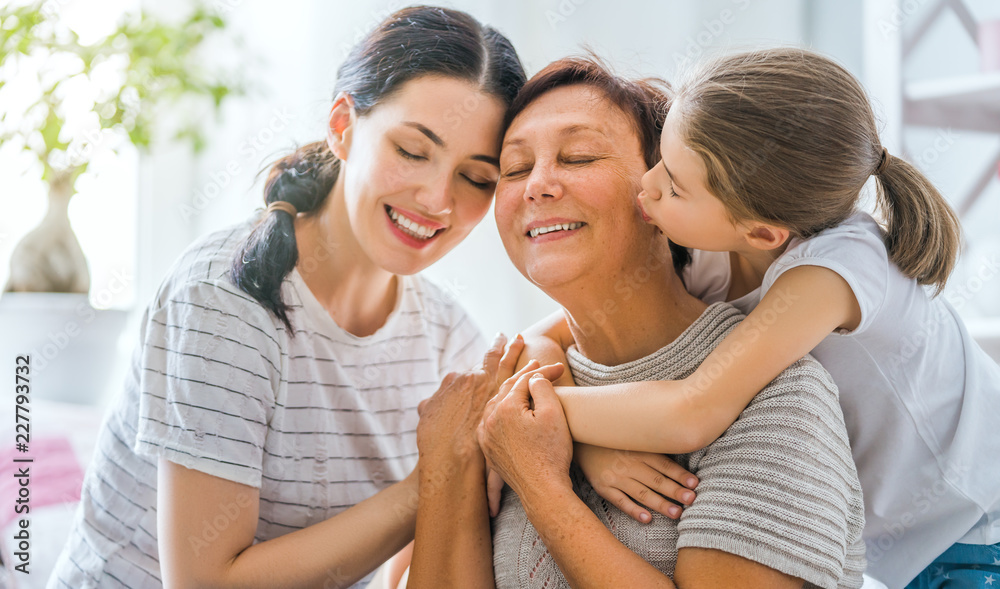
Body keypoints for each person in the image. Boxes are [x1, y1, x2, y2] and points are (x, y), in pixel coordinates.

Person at [48, 6, 525, 588]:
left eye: (475, 178)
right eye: (412, 151)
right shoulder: (226, 298)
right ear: (343, 126)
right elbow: (205, 583)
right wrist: (430, 483)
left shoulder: (446, 336)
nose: (437, 200)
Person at [518, 48, 1000, 588]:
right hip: (897, 548)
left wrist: (530, 422)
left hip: (975, 532)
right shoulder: (713, 246)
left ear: (763, 234)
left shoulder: (835, 271)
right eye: (661, 160)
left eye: (674, 185)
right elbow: (545, 334)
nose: (646, 186)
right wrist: (587, 444)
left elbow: (694, 409)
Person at [406, 56, 867, 589]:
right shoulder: (505, 398)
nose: (537, 185)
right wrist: (447, 464)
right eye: (514, 168)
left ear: (662, 194)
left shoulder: (775, 398)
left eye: (578, 157)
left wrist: (539, 484)